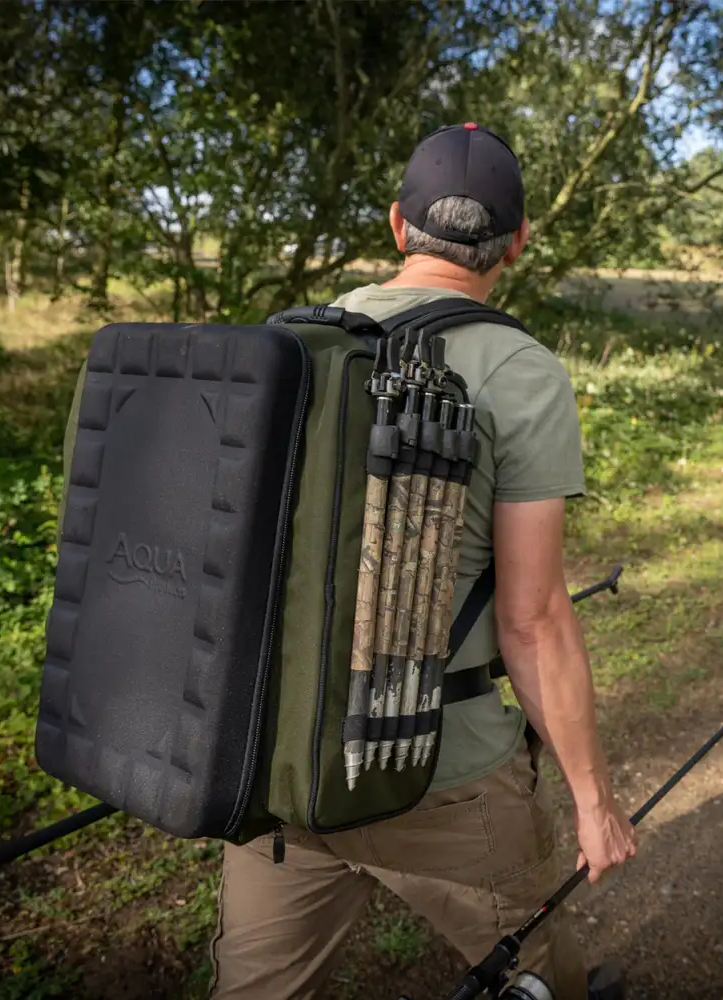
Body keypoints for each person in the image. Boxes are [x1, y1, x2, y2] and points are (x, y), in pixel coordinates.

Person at [207, 123, 637, 1000]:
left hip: (281, 763)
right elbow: (532, 618)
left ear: (398, 225)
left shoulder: (287, 339)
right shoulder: (522, 371)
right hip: (449, 778)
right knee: (538, 977)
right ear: (516, 243)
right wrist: (594, 800)